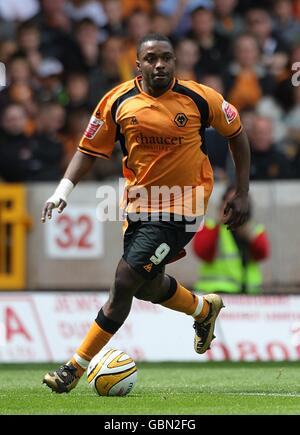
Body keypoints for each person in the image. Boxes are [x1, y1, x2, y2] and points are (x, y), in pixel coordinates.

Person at [41, 33, 250, 393]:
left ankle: (74, 367)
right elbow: (89, 149)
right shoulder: (118, 100)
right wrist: (63, 191)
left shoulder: (200, 98)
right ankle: (203, 310)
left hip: (184, 205)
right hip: (138, 207)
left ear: (175, 62)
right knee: (146, 285)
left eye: (166, 58)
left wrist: (242, 191)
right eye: (151, 59)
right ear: (137, 64)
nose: (160, 65)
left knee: (125, 280)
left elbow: (237, 133)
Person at [193, 185, 270, 294]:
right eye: (231, 203)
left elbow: (262, 253)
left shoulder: (255, 229)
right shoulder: (210, 227)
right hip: (216, 293)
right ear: (223, 204)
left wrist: (250, 236)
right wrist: (219, 222)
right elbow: (202, 252)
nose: (235, 208)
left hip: (248, 295)